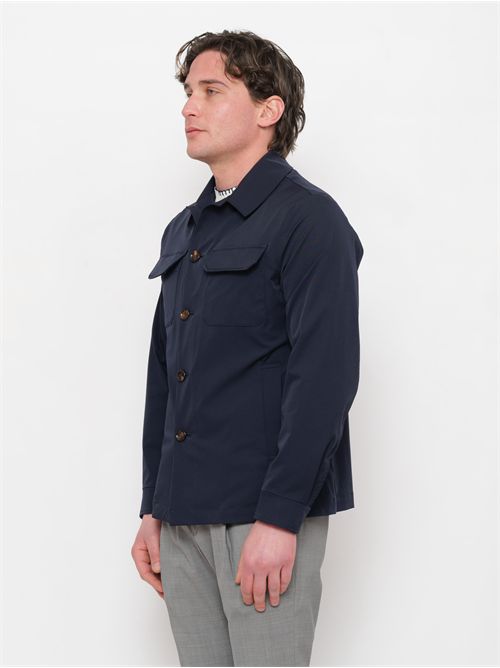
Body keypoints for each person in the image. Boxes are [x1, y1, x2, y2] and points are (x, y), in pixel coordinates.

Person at [131, 29, 364, 667]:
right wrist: (154, 507)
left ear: (269, 110)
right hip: (182, 518)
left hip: (261, 515)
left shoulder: (309, 219)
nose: (189, 107)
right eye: (188, 92)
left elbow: (325, 377)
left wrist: (282, 516)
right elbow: (166, 376)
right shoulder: (184, 230)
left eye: (212, 90)